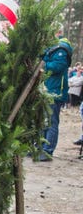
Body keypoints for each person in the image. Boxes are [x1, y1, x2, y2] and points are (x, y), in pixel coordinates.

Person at [38, 25, 72, 161]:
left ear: (57, 32)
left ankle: (47, 150)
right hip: (46, 89)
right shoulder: (51, 47)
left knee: (51, 122)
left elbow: (57, 67)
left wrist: (43, 64)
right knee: (42, 121)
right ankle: (39, 147)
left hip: (55, 91)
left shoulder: (61, 48)